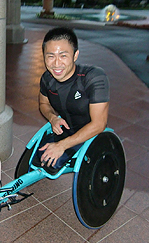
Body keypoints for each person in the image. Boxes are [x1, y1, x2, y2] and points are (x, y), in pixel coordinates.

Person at [38, 27, 110, 169]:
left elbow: (99, 124)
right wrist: (53, 118)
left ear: (75, 55)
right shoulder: (47, 78)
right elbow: (43, 103)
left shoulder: (94, 77)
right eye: (51, 56)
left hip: (91, 135)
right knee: (39, 159)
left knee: (53, 163)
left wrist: (61, 146)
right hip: (65, 130)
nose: (56, 63)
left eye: (63, 56)